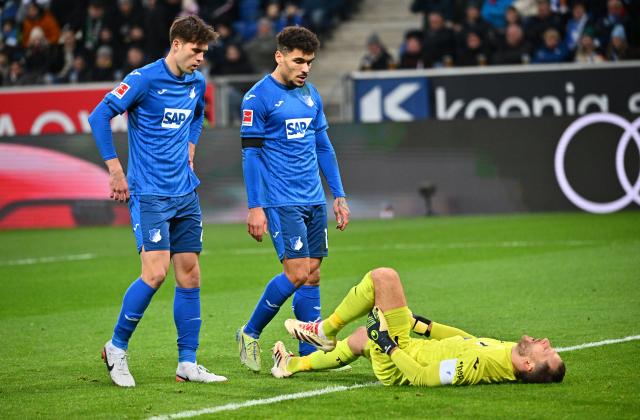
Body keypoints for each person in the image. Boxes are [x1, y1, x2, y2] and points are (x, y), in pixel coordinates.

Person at [88, 15, 226, 387]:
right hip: (149, 192)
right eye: (196, 51)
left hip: (185, 192)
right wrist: (116, 170)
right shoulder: (144, 79)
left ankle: (187, 362)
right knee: (155, 273)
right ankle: (115, 348)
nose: (201, 59)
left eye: (205, 52)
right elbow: (99, 115)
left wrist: (192, 144)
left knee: (190, 273)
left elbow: (198, 116)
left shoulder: (196, 83)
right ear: (177, 44)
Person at [236, 26, 350, 372]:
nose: (305, 68)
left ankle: (307, 351)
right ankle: (249, 332)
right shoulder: (257, 99)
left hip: (313, 199)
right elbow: (251, 156)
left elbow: (323, 148)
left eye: (309, 62)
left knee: (312, 275)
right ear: (279, 56)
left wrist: (339, 195)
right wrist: (255, 206)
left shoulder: (311, 94)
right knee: (297, 272)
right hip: (280, 200)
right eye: (298, 61)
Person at [274, 268, 566, 386]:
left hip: (400, 357)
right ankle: (292, 364)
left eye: (546, 351)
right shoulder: (506, 352)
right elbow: (468, 338)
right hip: (409, 345)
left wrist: (388, 345)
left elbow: (425, 377)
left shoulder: (479, 366)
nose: (545, 341)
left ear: (528, 365)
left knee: (384, 278)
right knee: (361, 339)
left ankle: (324, 331)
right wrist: (422, 325)